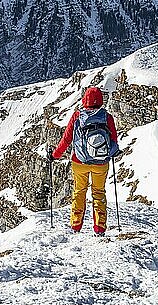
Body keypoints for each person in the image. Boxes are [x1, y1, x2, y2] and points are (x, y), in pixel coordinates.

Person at [51, 87, 119, 236]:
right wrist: (111, 154)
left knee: (79, 192)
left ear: (84, 100)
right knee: (98, 193)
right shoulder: (107, 117)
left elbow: (66, 139)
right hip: (101, 163)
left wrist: (55, 155)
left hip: (79, 161)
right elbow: (114, 140)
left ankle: (76, 225)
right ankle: (99, 228)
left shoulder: (77, 116)